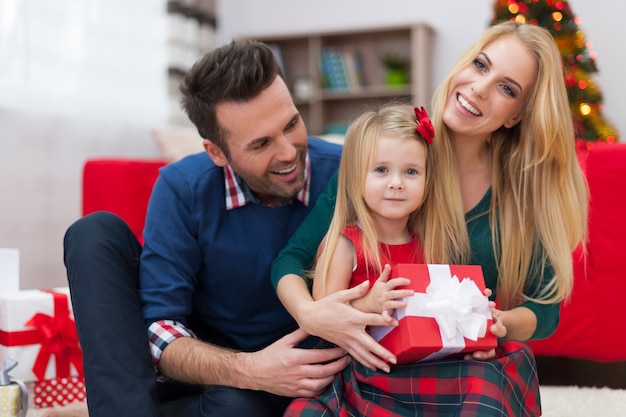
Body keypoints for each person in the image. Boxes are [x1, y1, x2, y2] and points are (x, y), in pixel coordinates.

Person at [272, 21, 588, 416]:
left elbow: (544, 311)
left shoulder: (523, 191)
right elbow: (293, 257)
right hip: (373, 359)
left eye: (507, 88)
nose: (479, 87)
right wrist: (311, 314)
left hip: (459, 362)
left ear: (516, 115)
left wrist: (499, 322)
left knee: (495, 379)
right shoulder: (388, 154)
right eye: (480, 65)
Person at [63, 38, 355, 417]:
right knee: (92, 234)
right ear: (216, 152)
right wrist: (249, 370)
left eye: (292, 124)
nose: (287, 152)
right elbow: (161, 329)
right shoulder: (182, 188)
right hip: (211, 366)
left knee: (235, 409)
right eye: (261, 143)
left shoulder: (350, 172)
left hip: (296, 383)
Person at [310, 104, 434, 318]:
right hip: (354, 351)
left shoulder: (426, 242)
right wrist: (367, 303)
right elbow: (322, 316)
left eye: (411, 171)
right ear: (356, 177)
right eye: (381, 170)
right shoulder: (345, 244)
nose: (396, 183)